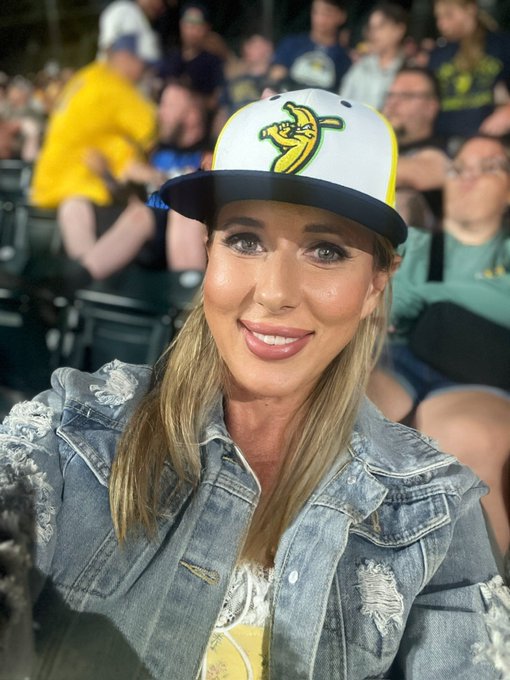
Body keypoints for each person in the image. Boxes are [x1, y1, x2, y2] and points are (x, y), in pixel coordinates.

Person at [2, 89, 509, 679]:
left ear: (376, 283)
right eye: (245, 240)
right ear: (208, 252)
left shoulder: (435, 515)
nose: (273, 292)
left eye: (326, 250)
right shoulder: (73, 433)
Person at [368, 134, 510, 580]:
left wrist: (426, 296)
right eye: (458, 168)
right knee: (352, 404)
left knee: (463, 434)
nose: (468, 177)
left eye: (489, 167)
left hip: (484, 373)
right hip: (405, 360)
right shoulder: (419, 245)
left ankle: (483, 594)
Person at [29, 34, 163, 287]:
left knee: (76, 208)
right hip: (81, 186)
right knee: (116, 212)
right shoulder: (115, 86)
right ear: (126, 58)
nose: (143, 71)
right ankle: (83, 284)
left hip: (51, 187)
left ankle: (78, 285)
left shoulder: (86, 77)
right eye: (143, 64)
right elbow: (152, 130)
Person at [428, 0, 510, 144]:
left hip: (493, 140)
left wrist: (507, 113)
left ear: (470, 9)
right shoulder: (437, 54)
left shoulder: (502, 44)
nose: (441, 23)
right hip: (445, 140)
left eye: (449, 15)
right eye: (438, 17)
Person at [383, 65, 450, 228]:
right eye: (390, 95)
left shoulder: (444, 148)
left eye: (406, 96)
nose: (392, 103)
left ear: (430, 107)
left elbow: (419, 174)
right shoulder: (377, 144)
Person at [267, 0, 351, 92]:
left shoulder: (344, 58)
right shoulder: (292, 44)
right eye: (316, 12)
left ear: (341, 16)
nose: (320, 19)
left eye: (327, 13)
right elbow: (275, 77)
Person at [339, 1, 408, 110]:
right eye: (371, 27)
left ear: (399, 30)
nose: (373, 33)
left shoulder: (409, 70)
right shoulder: (361, 66)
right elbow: (342, 103)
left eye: (381, 26)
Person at [97, 0, 165, 65]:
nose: (160, 5)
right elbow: (111, 49)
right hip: (113, 72)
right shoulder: (126, 10)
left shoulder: (142, 19)